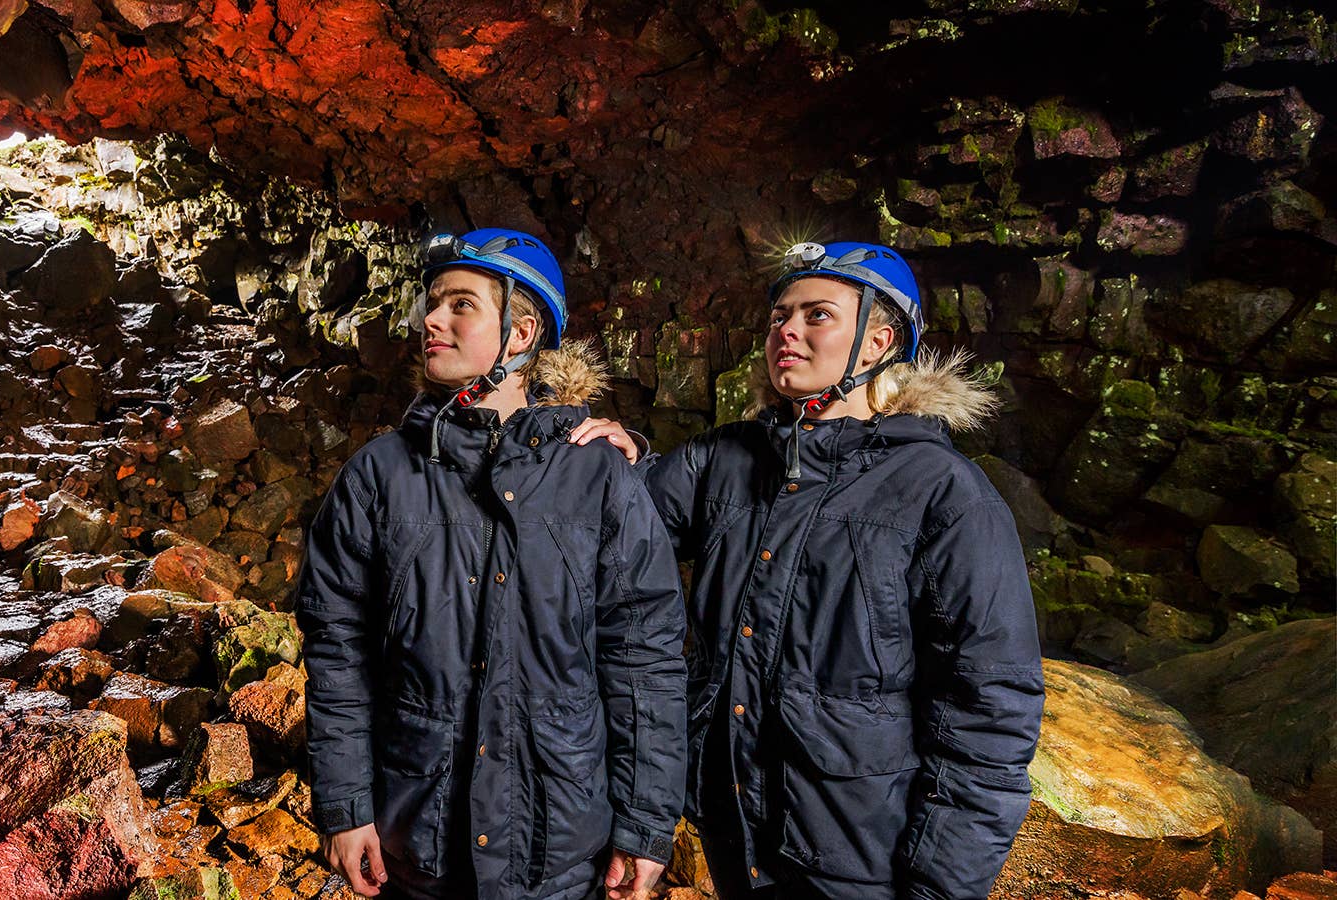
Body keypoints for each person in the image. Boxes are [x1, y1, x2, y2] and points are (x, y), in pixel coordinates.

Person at [569, 241, 1044, 899]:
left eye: (816, 315)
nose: (784, 331)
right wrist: (612, 454)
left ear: (879, 341)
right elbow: (615, 529)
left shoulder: (942, 491)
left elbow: (990, 708)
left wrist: (940, 888)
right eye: (778, 316)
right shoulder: (728, 460)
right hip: (735, 829)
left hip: (857, 858)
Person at [297, 228, 688, 900]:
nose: (431, 320)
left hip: (559, 846)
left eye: (460, 304)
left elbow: (644, 659)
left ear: (520, 333)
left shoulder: (598, 477)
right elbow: (339, 652)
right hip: (419, 841)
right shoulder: (379, 476)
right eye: (432, 303)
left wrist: (646, 822)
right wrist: (345, 804)